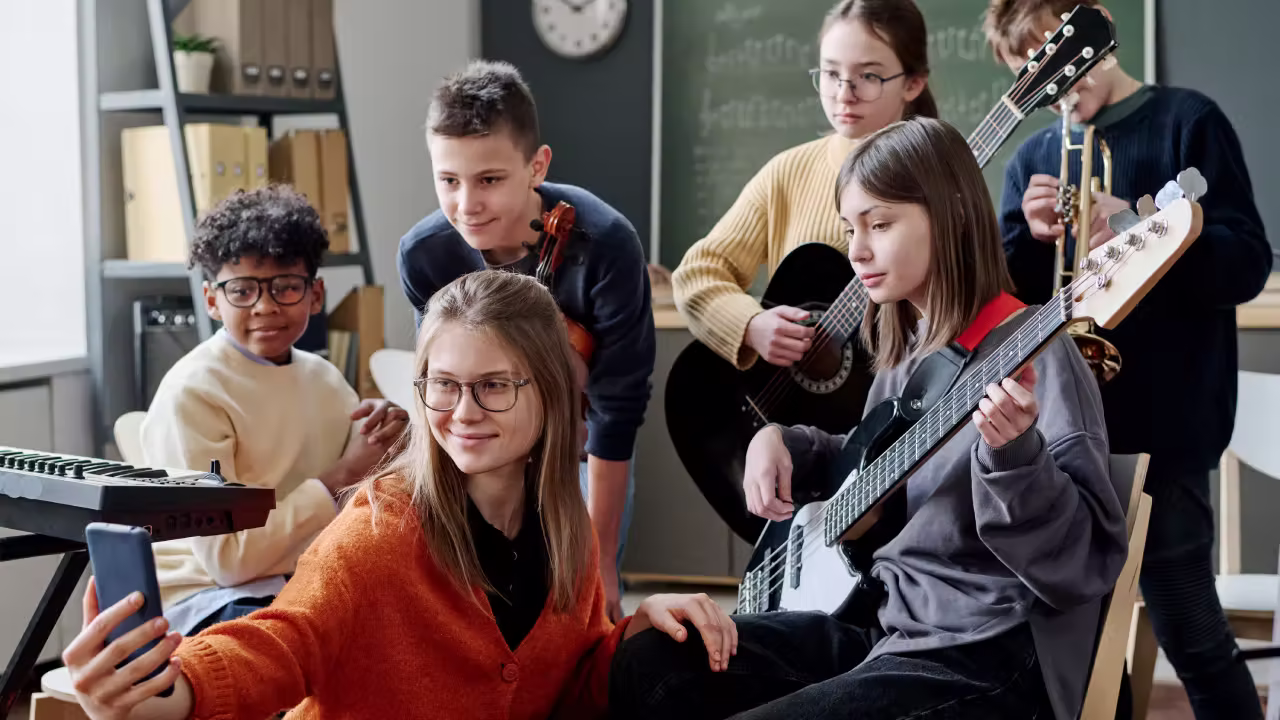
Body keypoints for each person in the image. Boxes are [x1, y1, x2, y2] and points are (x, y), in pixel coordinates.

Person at [610, 117, 1129, 720]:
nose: (856, 250)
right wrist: (782, 440)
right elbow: (871, 458)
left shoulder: (1042, 354)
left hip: (983, 652)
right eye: (850, 228)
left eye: (879, 224)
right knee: (650, 664)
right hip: (881, 622)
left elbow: (1085, 558)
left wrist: (1015, 459)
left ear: (954, 213)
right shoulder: (908, 346)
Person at [62, 270, 735, 720]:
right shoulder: (381, 530)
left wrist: (630, 638)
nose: (462, 411)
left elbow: (568, 688)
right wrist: (169, 693)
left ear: (553, 396)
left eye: (494, 385)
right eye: (442, 385)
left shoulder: (567, 530)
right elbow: (283, 640)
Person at [984, 2, 1274, 717]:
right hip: (1059, 435)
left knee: (1190, 630)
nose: (1057, 86)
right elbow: (1008, 303)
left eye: (1061, 61)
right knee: (1073, 644)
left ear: (1099, 30)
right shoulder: (1031, 160)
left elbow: (1245, 265)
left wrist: (1149, 232)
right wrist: (1029, 234)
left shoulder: (1187, 120)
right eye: (1033, 76)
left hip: (1166, 430)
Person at [397, 59, 654, 621]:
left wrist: (603, 561)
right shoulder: (425, 254)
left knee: (576, 608)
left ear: (537, 166)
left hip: (579, 448)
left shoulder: (606, 243)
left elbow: (617, 408)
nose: (467, 205)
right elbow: (435, 391)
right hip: (477, 441)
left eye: (489, 180)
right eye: (448, 180)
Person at [139, 184, 406, 637]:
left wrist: (389, 436)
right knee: (340, 634)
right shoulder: (195, 392)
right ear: (212, 300)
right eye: (242, 290)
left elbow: (364, 489)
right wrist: (341, 476)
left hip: (296, 580)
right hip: (200, 600)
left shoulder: (323, 378)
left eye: (285, 287)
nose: (265, 306)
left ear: (315, 295)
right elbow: (228, 561)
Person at [672, 0, 936, 372]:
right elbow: (696, 274)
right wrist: (751, 325)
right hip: (791, 412)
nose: (845, 94)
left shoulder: (940, 178)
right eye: (830, 74)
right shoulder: (787, 172)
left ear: (913, 83)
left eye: (869, 76)